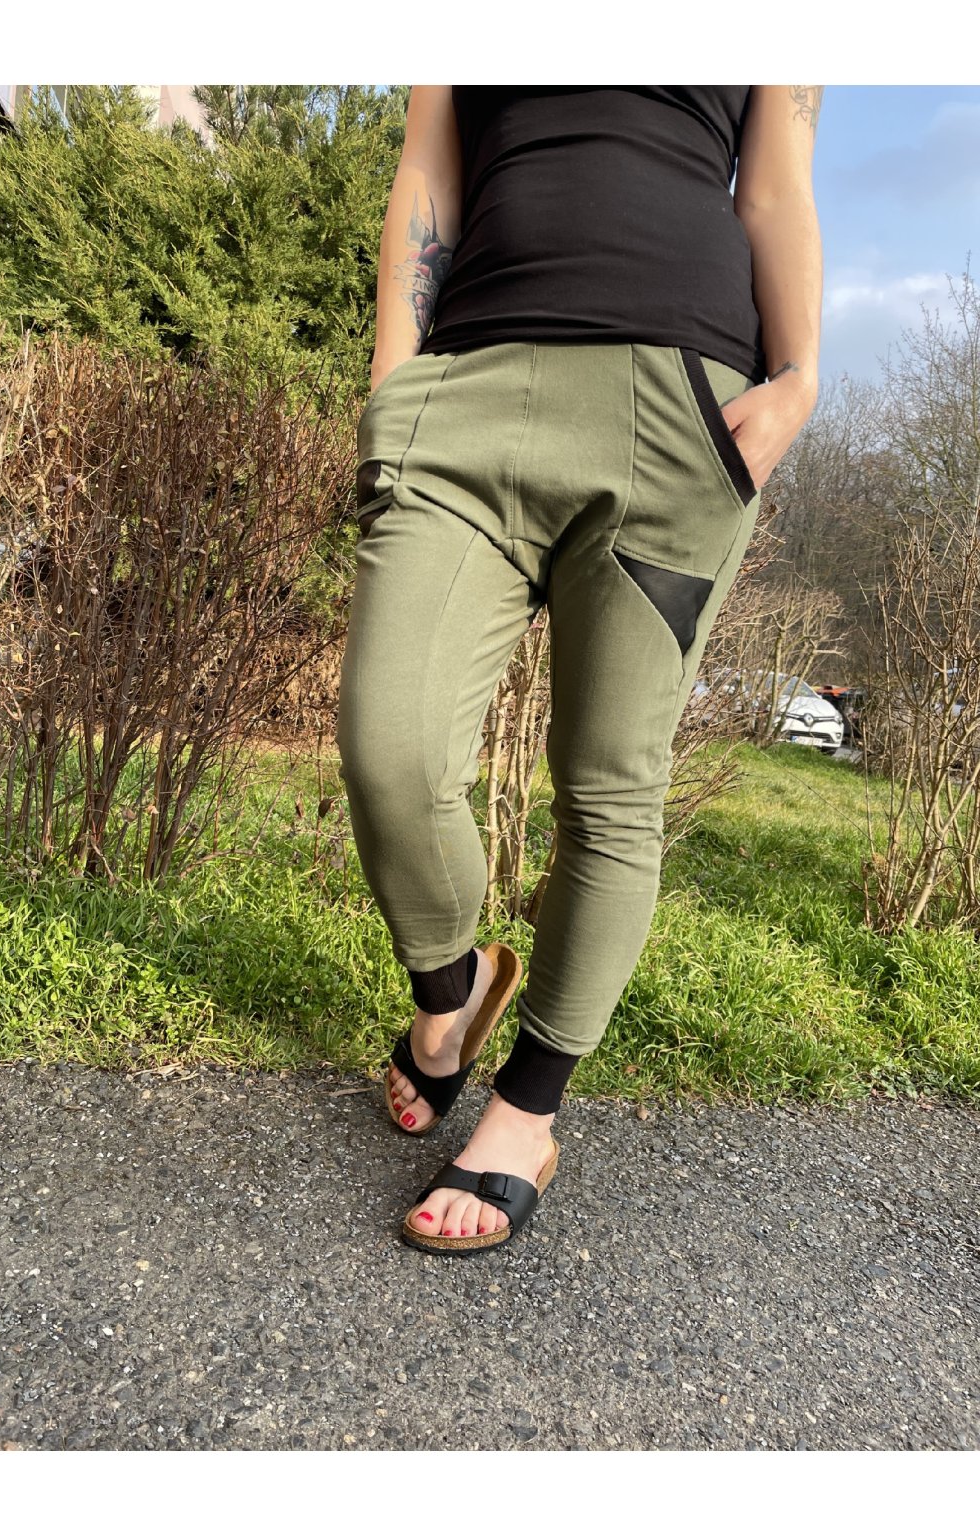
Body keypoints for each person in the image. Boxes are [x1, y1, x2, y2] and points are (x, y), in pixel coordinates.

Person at [336, 85, 824, 1253]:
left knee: (610, 785)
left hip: (678, 409)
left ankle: (525, 1113)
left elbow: (773, 187)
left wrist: (798, 377)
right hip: (462, 395)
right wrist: (391, 386)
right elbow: (429, 172)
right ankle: (450, 989)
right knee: (389, 745)